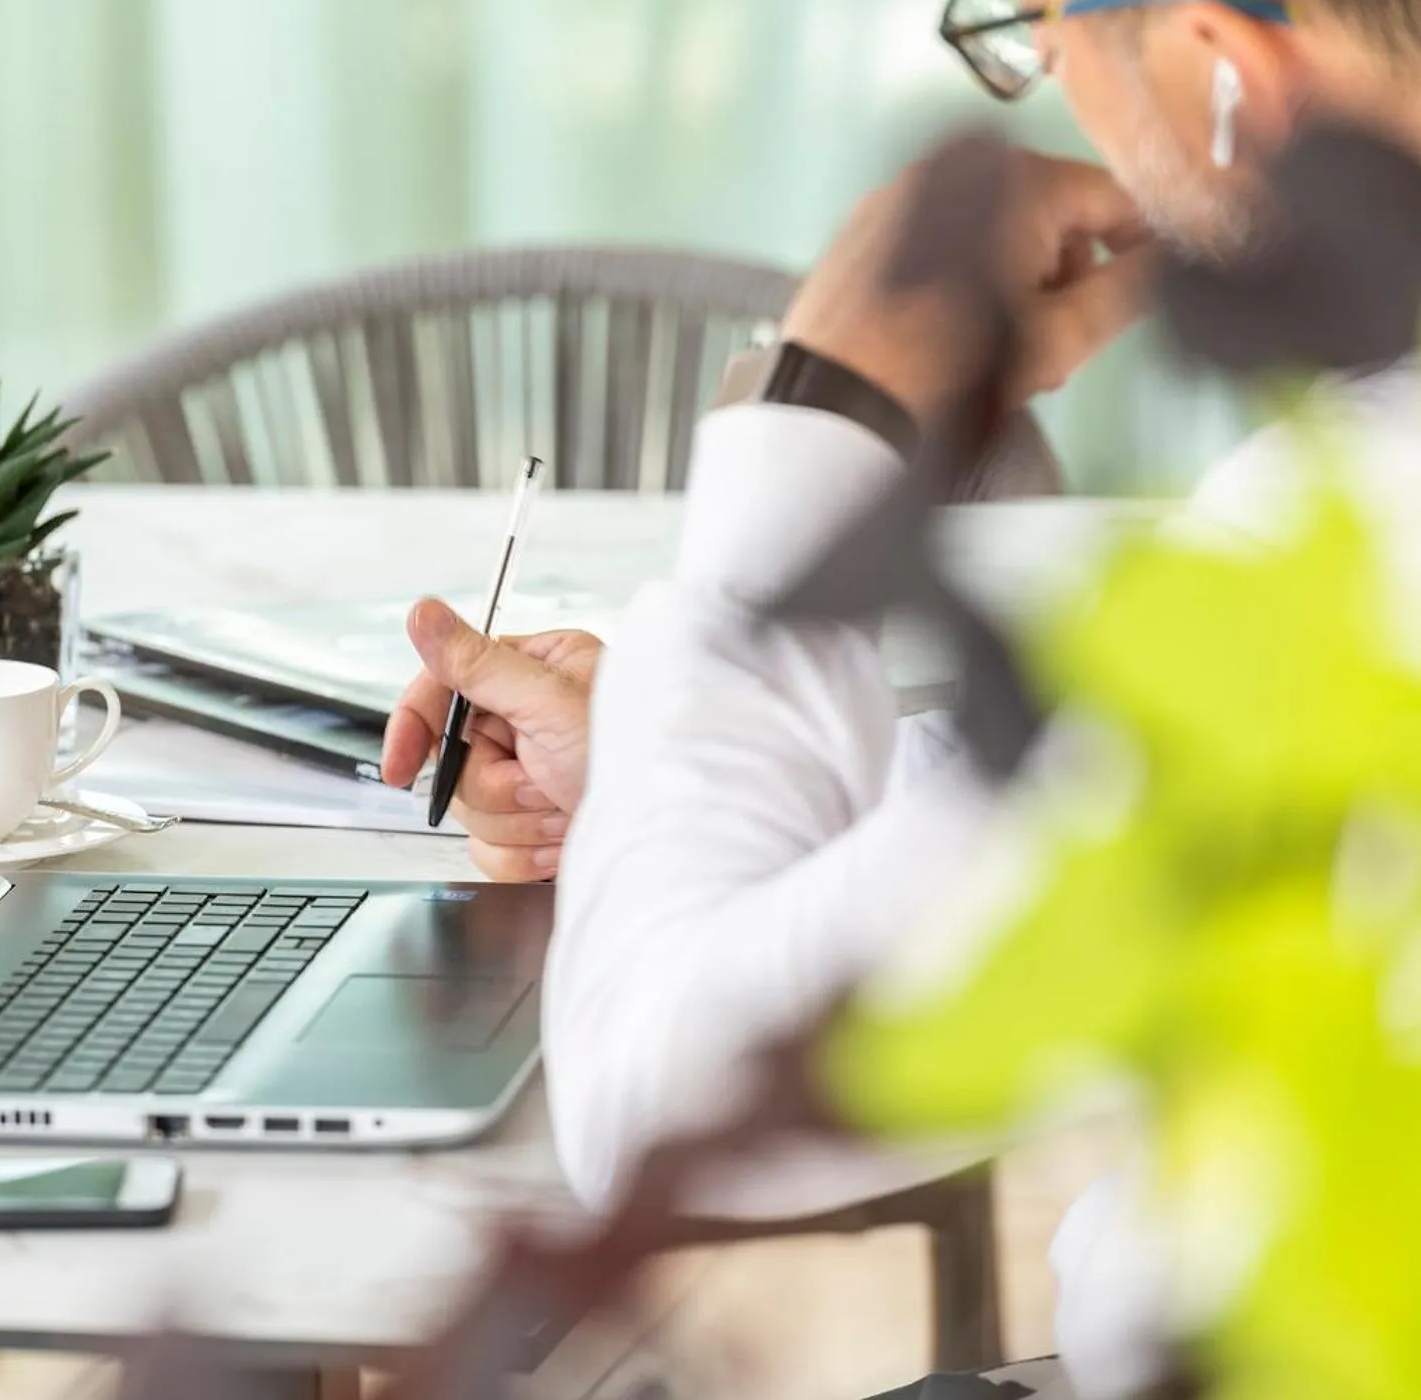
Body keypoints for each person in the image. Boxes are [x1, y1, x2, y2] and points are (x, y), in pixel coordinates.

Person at [381, 2, 1421, 1394]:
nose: (1052, 107)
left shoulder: (1342, 555)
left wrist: (823, 404)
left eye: (1040, 40)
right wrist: (661, 763)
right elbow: (1077, 817)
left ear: (1226, 74)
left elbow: (660, 1101)